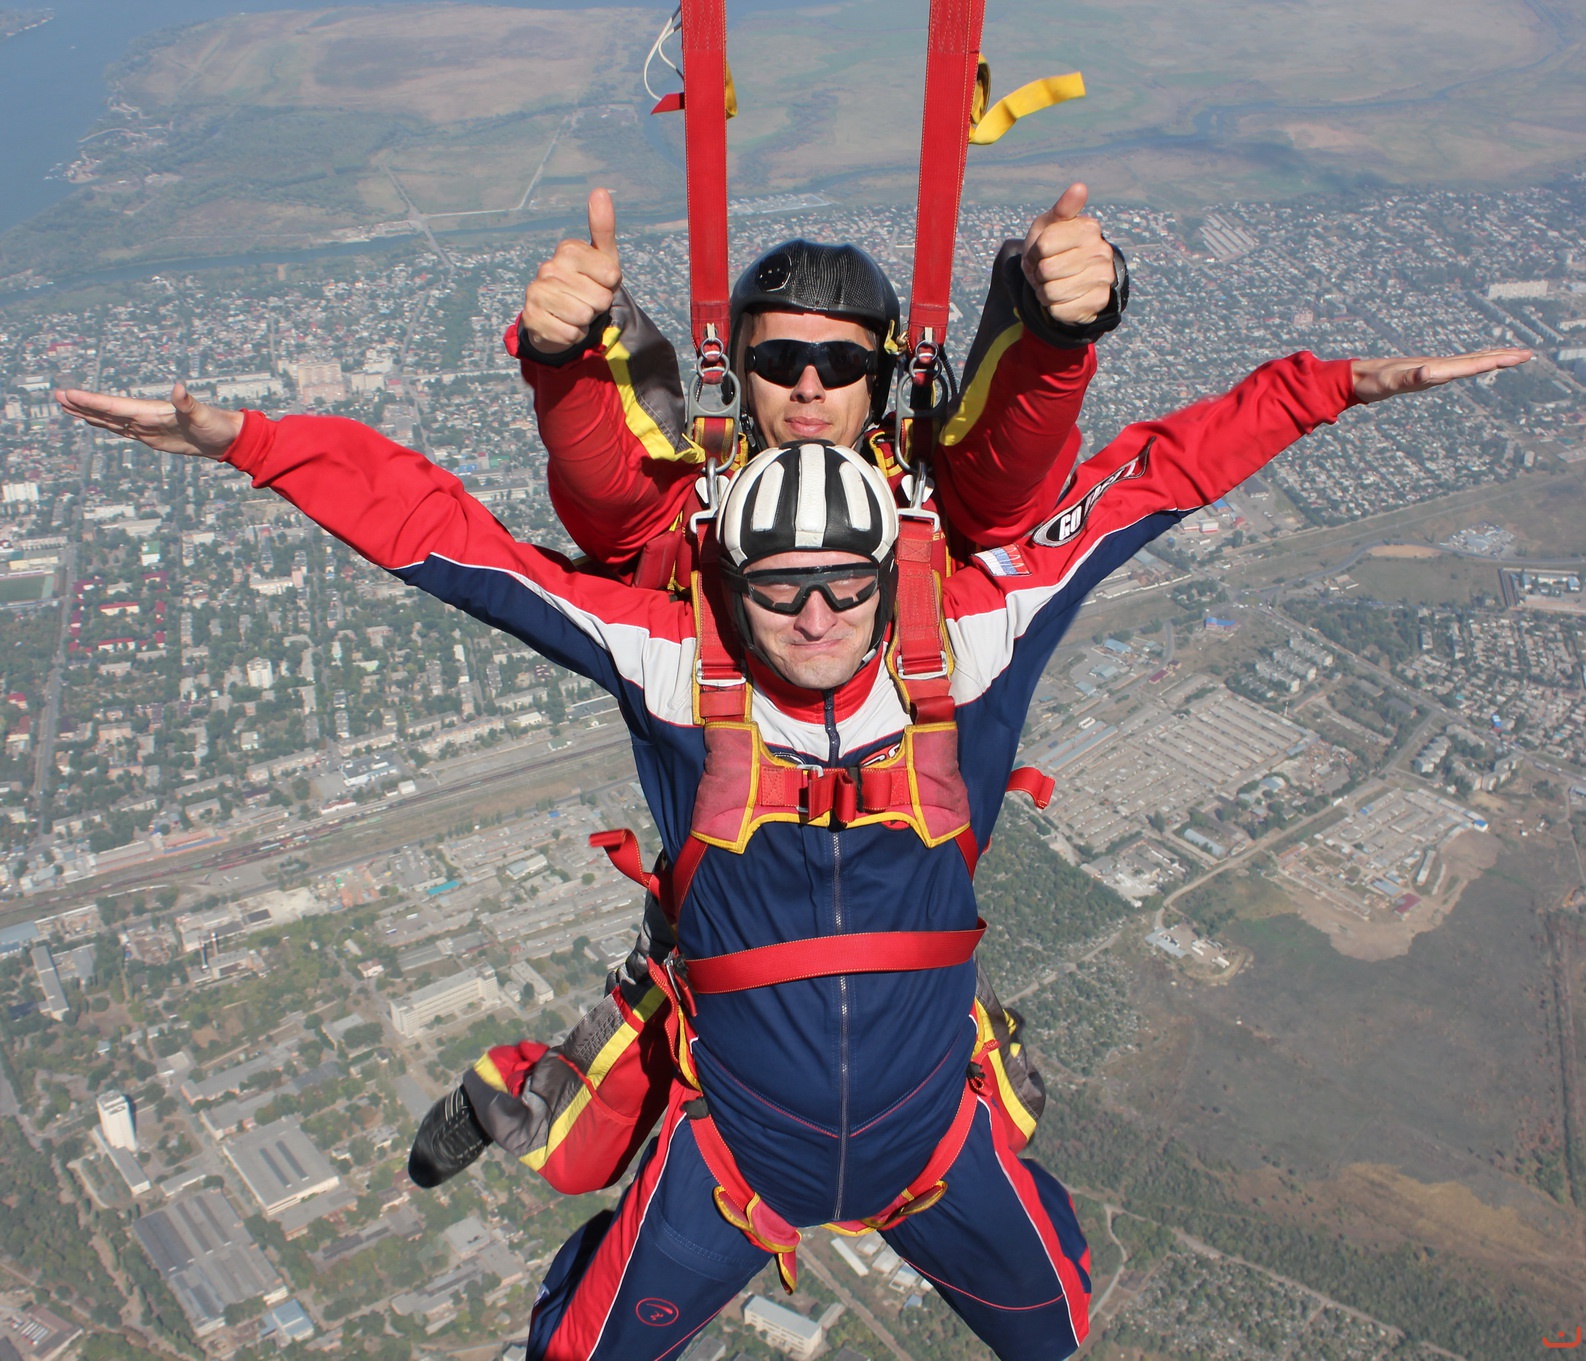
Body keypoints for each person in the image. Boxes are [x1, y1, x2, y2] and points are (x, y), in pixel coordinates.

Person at [55, 341, 1529, 1360]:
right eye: (779, 590)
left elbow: (1145, 485)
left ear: (888, 575)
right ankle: (556, 1126)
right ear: (730, 582)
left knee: (1058, 1334)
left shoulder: (971, 641)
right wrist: (254, 443)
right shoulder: (671, 661)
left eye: (843, 585)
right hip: (734, 1154)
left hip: (928, 1140)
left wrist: (1326, 389)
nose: (816, 617)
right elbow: (455, 547)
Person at [507, 185, 1127, 569]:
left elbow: (1003, 474)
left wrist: (1055, 333)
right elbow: (616, 496)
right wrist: (565, 357)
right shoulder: (689, 507)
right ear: (739, 376)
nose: (809, 385)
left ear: (877, 381)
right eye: (779, 360)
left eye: (841, 362)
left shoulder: (935, 499)